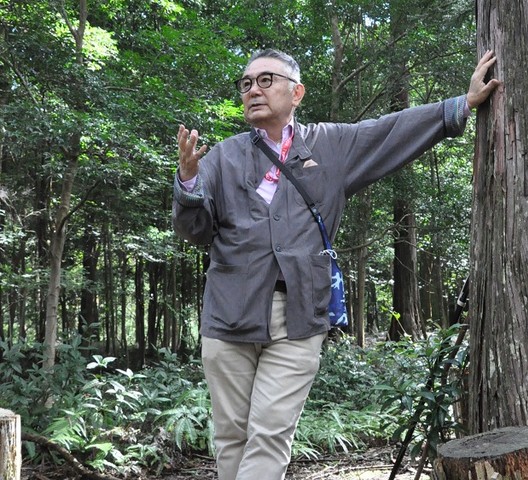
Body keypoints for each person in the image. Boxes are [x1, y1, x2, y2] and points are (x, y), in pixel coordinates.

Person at [172, 48, 500, 480]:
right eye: (247, 83)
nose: (253, 89)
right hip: (228, 313)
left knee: (269, 435)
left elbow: (389, 131)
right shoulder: (223, 157)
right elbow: (195, 232)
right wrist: (189, 179)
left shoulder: (330, 145)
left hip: (299, 315)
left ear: (297, 92)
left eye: (266, 80)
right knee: (231, 436)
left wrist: (461, 105)